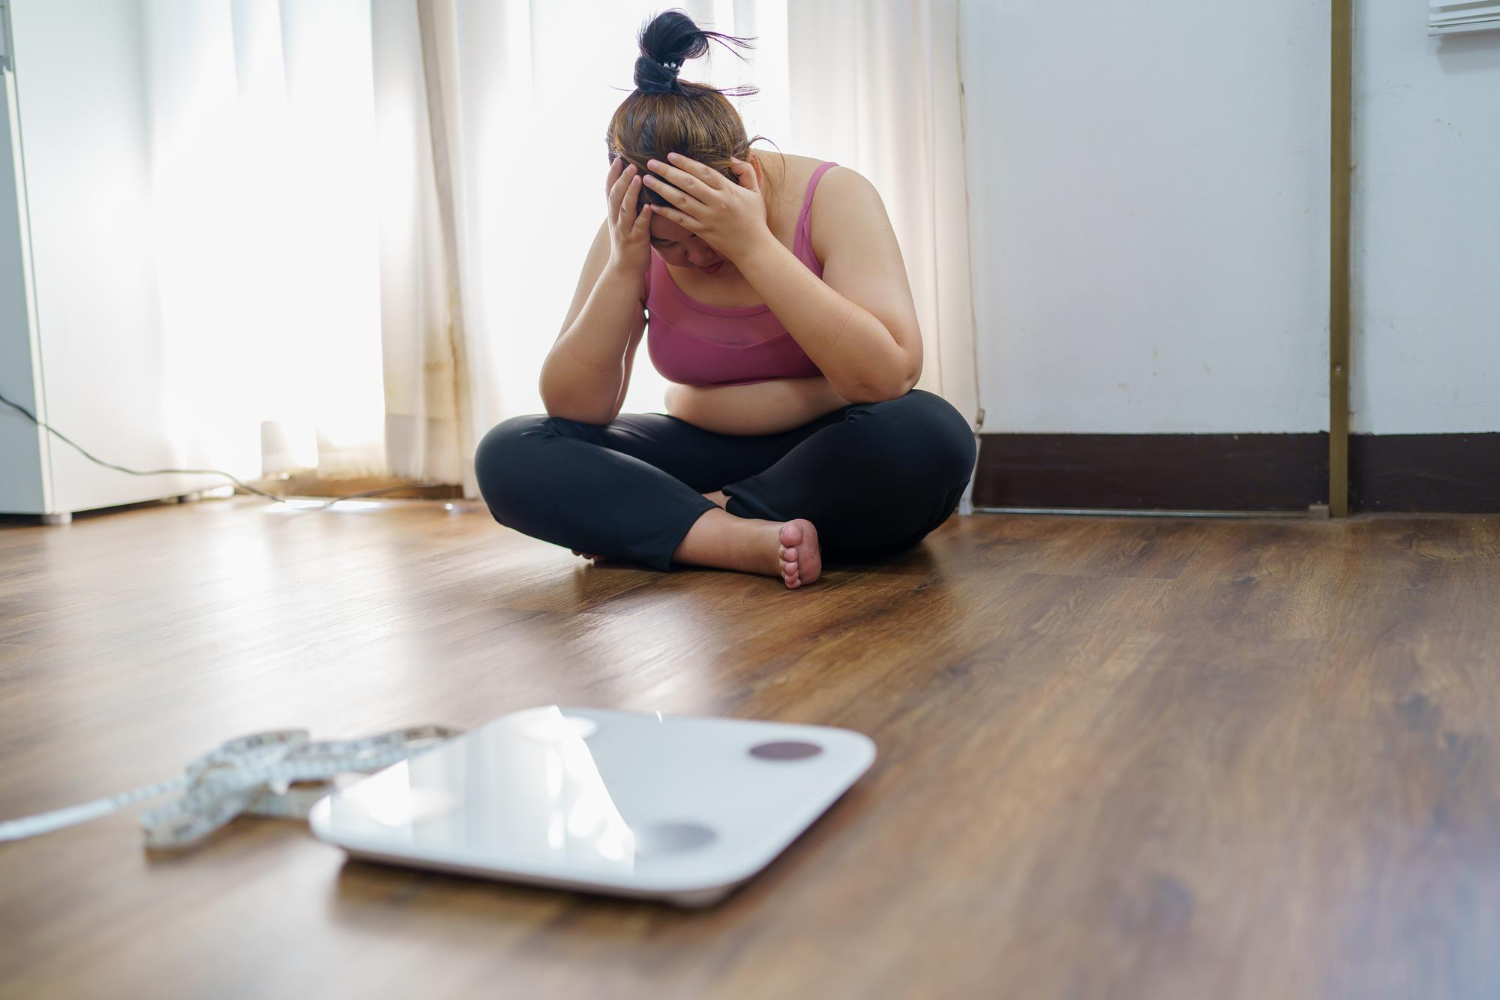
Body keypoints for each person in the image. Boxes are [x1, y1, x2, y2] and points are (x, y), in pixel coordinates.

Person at [476, 9, 975, 590]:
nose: (698, 259)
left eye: (707, 237)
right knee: (512, 450)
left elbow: (888, 376)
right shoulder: (632, 235)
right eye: (673, 246)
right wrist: (625, 267)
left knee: (929, 434)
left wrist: (754, 246)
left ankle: (679, 522)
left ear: (745, 177)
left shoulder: (835, 197)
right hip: (700, 446)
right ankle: (738, 537)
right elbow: (575, 407)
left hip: (828, 451)